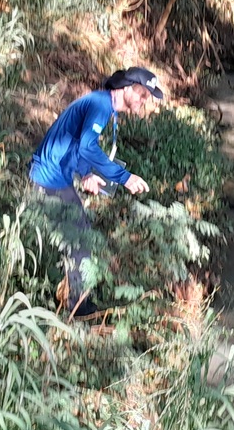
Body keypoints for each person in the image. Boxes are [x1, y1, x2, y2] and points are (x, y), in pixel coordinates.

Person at [29, 66, 164, 317]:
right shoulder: (101, 106)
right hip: (49, 179)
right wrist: (123, 177)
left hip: (57, 177)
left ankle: (70, 298)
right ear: (125, 89)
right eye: (142, 94)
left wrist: (87, 174)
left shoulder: (104, 105)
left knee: (78, 237)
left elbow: (79, 144)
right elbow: (89, 147)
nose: (144, 101)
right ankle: (77, 308)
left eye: (147, 97)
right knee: (81, 240)